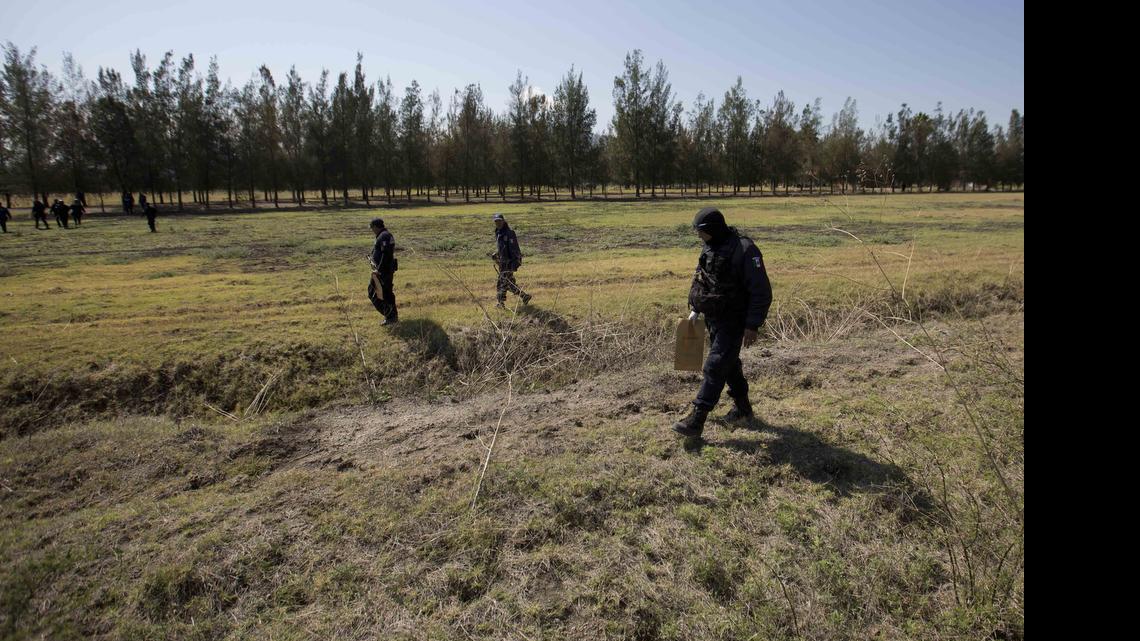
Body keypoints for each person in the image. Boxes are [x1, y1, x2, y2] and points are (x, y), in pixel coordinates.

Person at [672, 207, 773, 439]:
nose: (699, 236)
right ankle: (743, 409)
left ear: (713, 229)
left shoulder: (746, 250)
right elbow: (705, 279)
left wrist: (752, 325)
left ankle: (696, 419)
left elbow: (761, 291)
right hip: (714, 318)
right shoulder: (711, 246)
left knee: (715, 365)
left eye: (701, 232)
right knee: (728, 364)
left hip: (735, 320)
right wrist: (696, 307)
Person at [491, 213, 531, 309]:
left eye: (499, 221)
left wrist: (515, 262)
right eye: (496, 221)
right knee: (509, 283)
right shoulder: (498, 232)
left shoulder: (509, 233)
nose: (498, 223)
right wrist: (496, 255)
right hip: (502, 262)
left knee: (502, 282)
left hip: (509, 262)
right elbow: (502, 248)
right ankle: (524, 296)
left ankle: (500, 303)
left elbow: (514, 249)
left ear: (503, 221)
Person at [368, 218, 398, 325]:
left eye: (372, 228)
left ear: (376, 226)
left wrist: (378, 270)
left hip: (382, 272)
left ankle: (390, 315)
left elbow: (386, 255)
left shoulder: (384, 236)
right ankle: (392, 317)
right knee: (386, 294)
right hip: (384, 270)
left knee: (374, 293)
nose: (372, 230)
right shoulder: (384, 235)